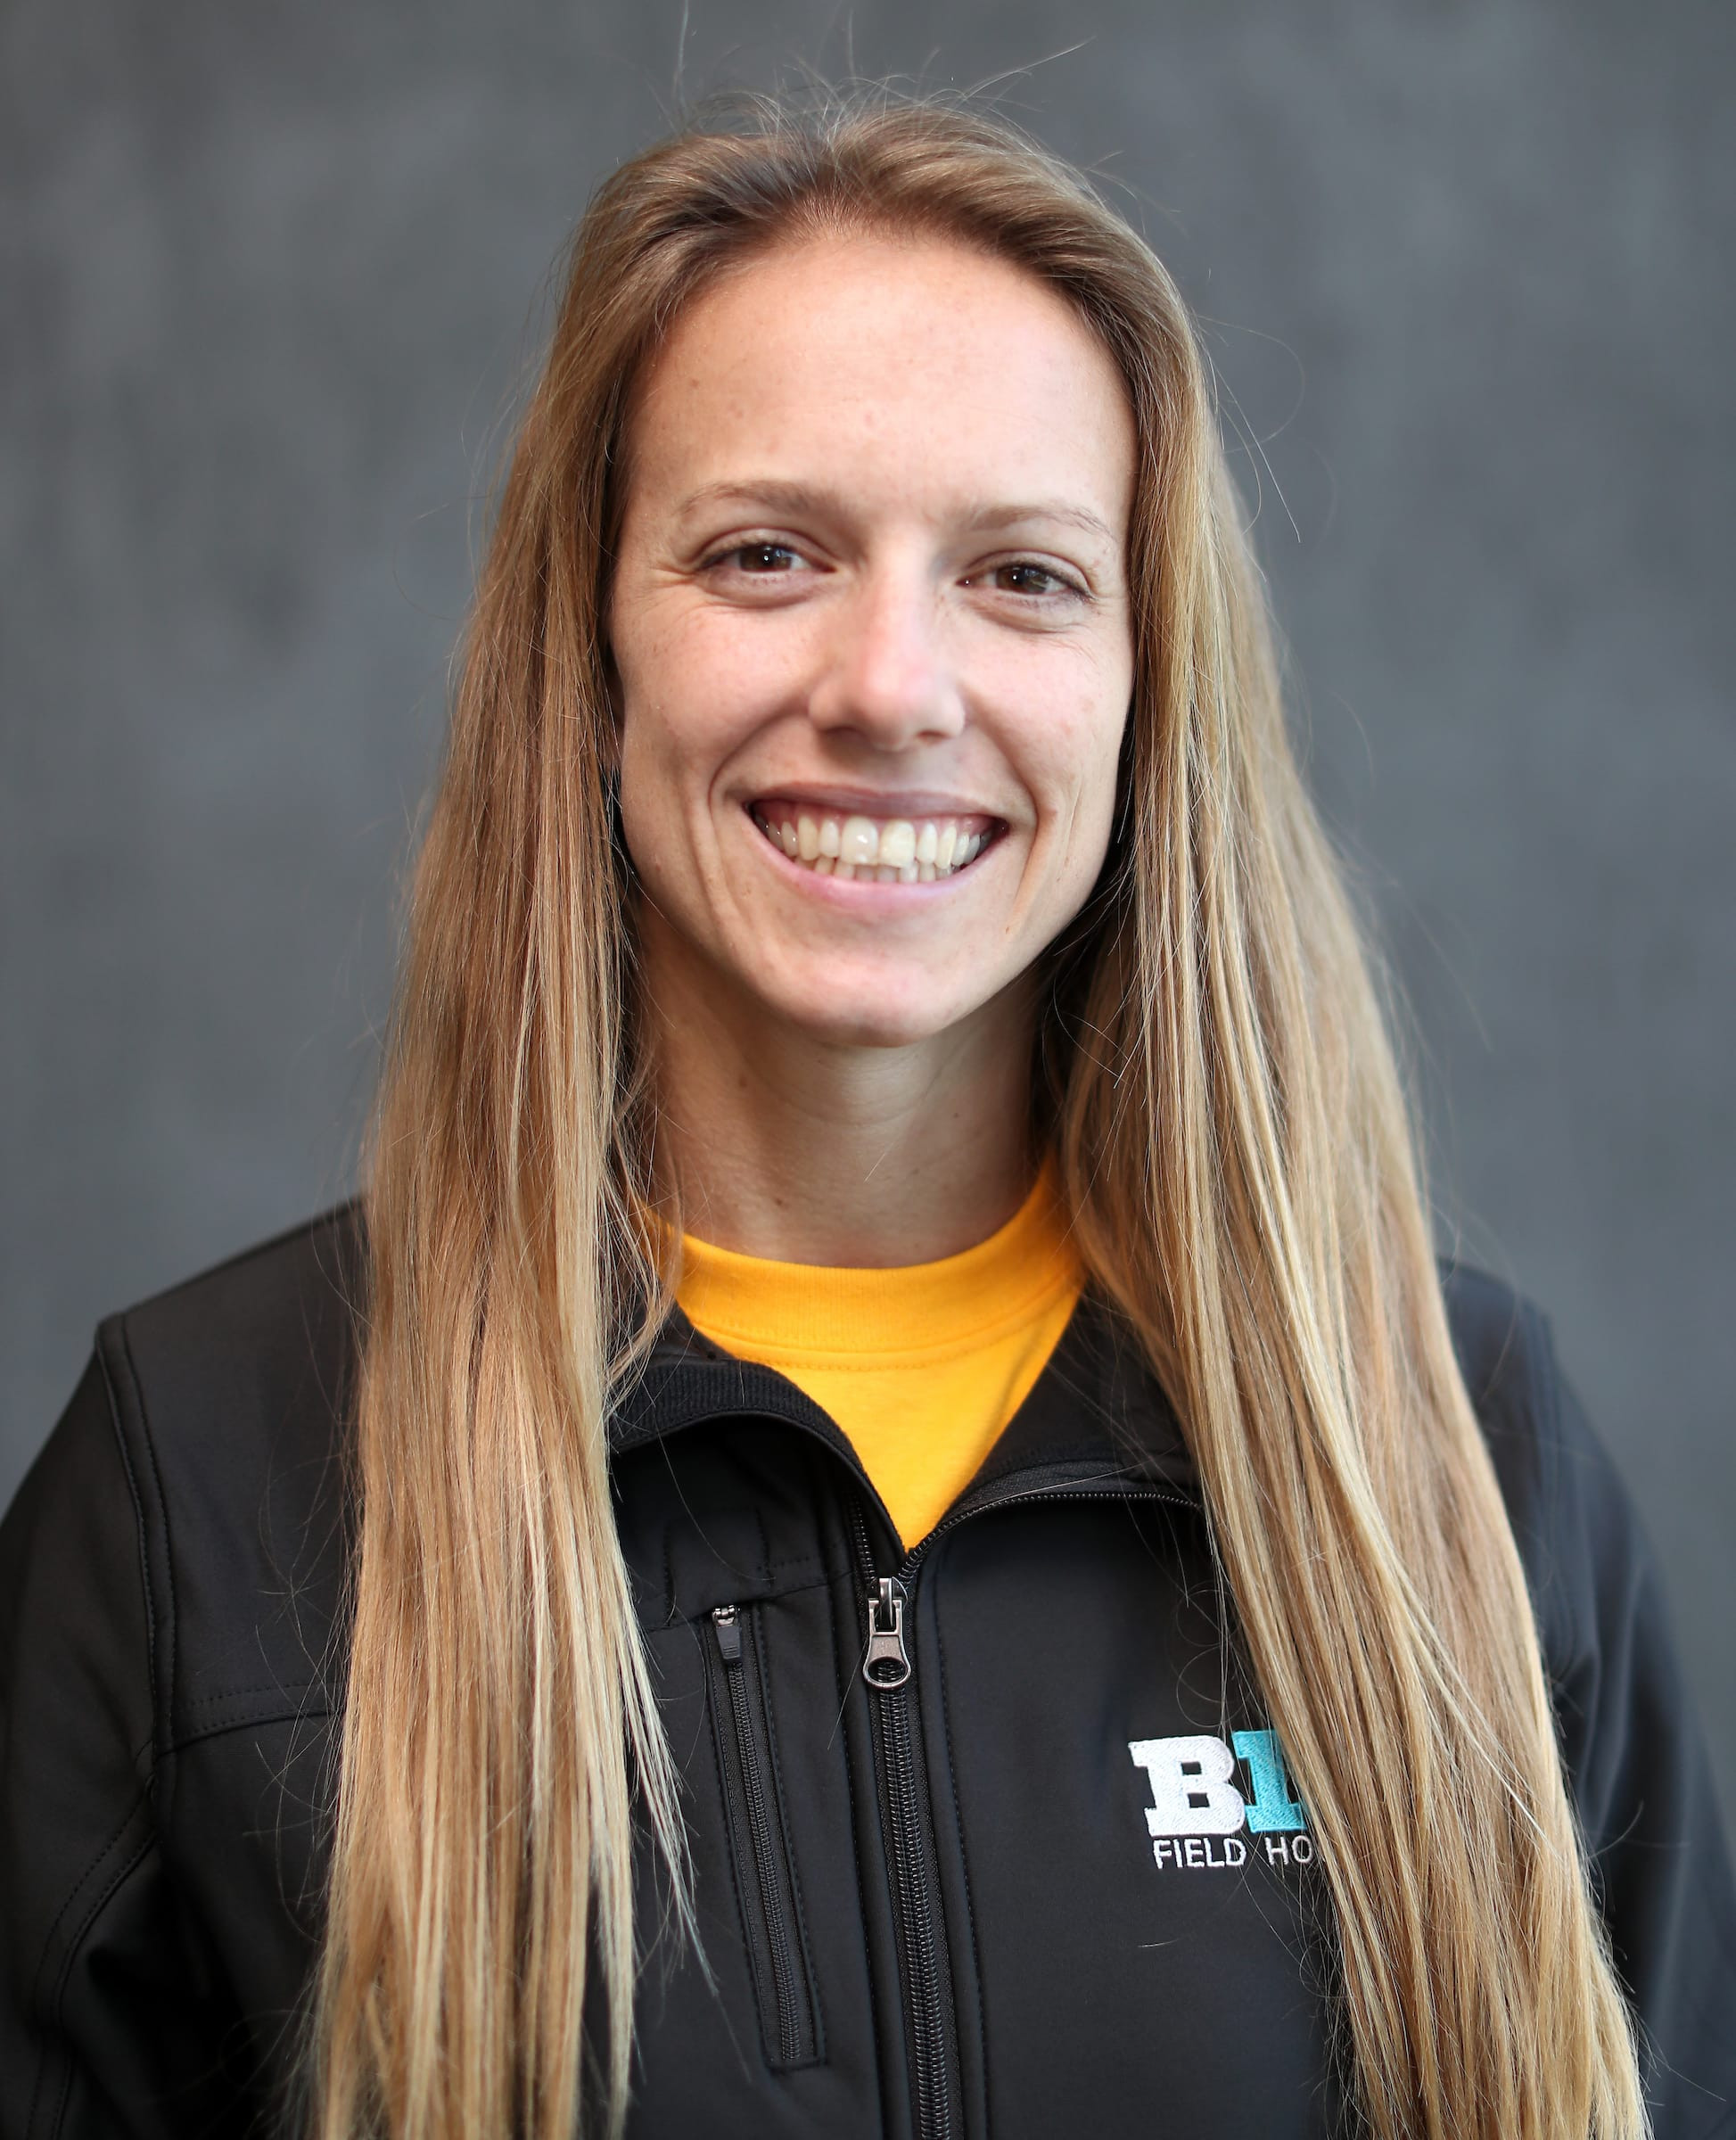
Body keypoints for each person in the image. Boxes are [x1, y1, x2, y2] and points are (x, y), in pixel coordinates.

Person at [2, 90, 1732, 2140]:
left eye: (1022, 575)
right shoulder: (199, 1477)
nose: (893, 684)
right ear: (592, 646)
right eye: (765, 554)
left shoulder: (1453, 1452)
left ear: (1143, 689)